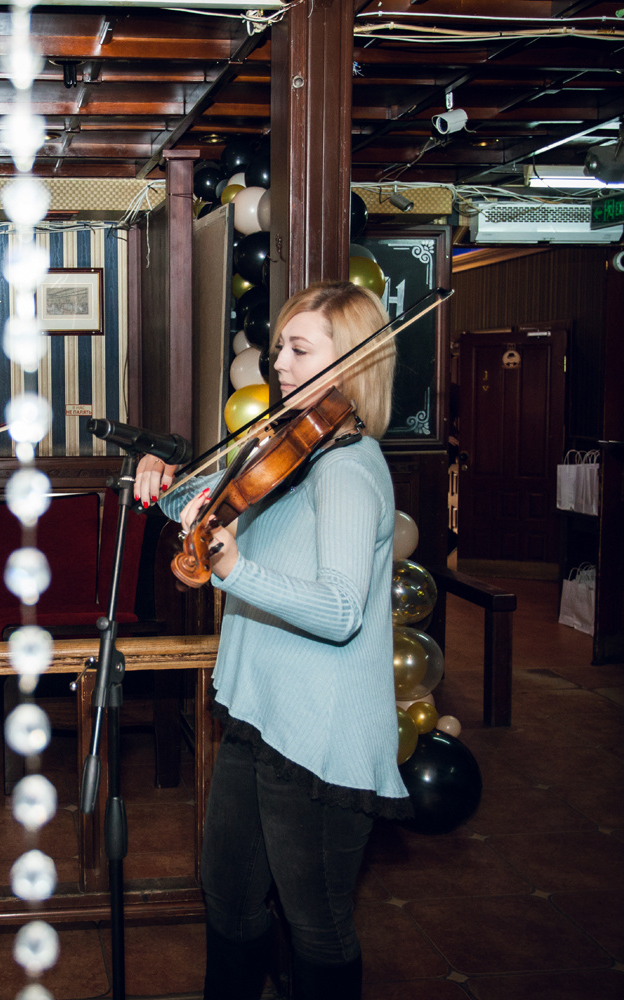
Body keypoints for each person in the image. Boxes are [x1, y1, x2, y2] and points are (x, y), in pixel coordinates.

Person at [134, 282, 411, 1000]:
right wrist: (161, 486)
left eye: (299, 348)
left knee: (315, 925)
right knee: (226, 895)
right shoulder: (285, 456)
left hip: (318, 736)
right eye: (280, 345)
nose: (278, 362)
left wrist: (235, 570)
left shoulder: (348, 468)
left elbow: (342, 609)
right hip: (258, 718)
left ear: (350, 362)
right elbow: (206, 512)